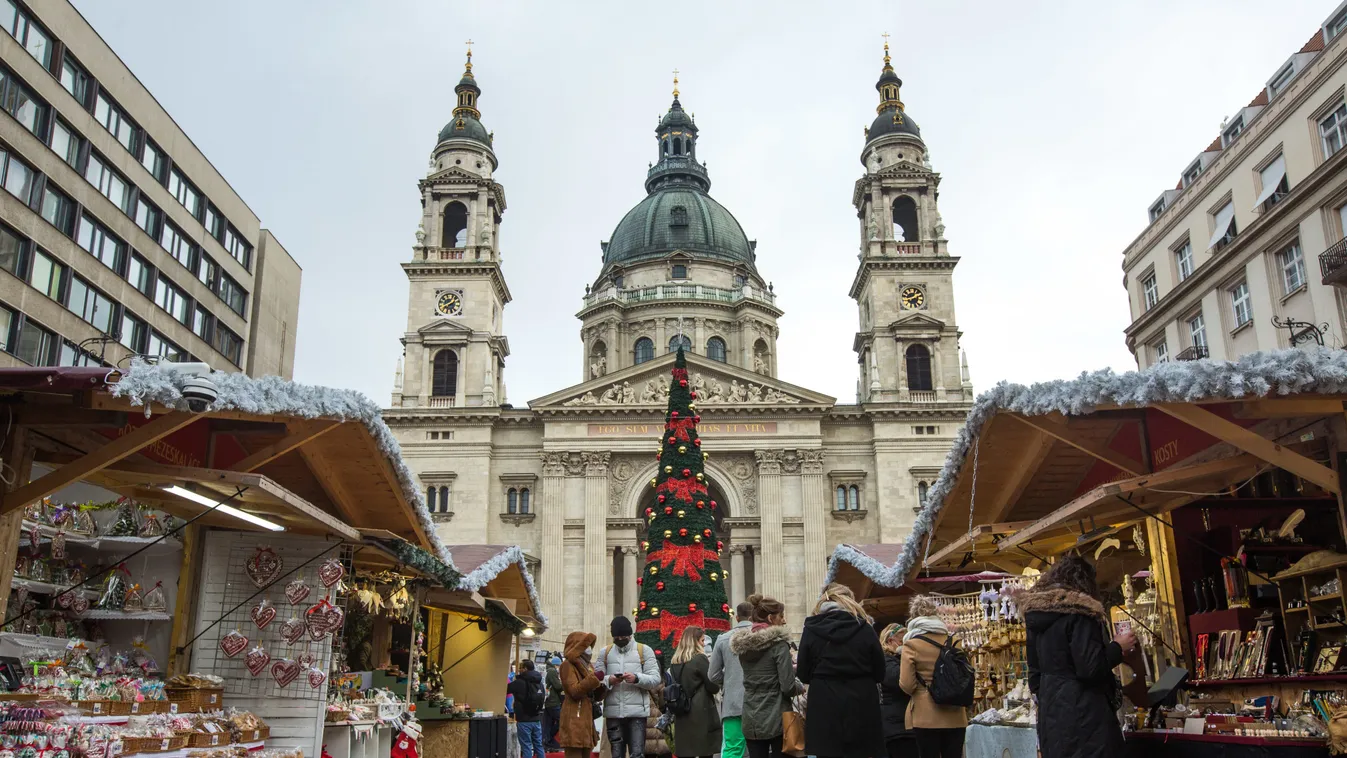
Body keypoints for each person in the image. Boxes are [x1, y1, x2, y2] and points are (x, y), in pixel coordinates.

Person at [1018, 554, 1137, 758]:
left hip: (1052, 718)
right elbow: (1090, 668)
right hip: (1086, 716)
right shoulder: (1081, 613)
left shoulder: (1036, 618)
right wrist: (1117, 646)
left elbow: (1034, 677)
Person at [797, 584, 885, 758]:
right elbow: (880, 670)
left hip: (824, 699)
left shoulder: (812, 629)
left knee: (827, 751)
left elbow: (803, 672)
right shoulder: (864, 627)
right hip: (862, 698)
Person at [899, 595, 967, 758]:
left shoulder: (911, 644)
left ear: (913, 617)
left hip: (925, 715)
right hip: (955, 713)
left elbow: (907, 684)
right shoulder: (955, 641)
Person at [731, 594, 796, 758]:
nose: (784, 620)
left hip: (751, 715)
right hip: (778, 716)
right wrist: (799, 687)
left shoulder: (743, 647)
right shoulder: (779, 645)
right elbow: (787, 686)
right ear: (770, 618)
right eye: (781, 616)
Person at [596, 616, 660, 758]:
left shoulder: (644, 651)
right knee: (616, 754)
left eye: (623, 636)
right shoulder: (605, 653)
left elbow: (655, 679)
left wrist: (636, 678)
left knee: (637, 754)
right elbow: (596, 680)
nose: (620, 639)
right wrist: (609, 680)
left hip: (637, 714)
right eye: (616, 637)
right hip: (613, 712)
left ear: (630, 634)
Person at [710, 602, 755, 758]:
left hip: (733, 703)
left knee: (732, 749)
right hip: (759, 702)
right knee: (760, 749)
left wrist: (729, 679)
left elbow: (713, 675)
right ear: (753, 615)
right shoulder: (761, 635)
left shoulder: (723, 639)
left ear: (736, 617)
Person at [670, 625, 722, 758]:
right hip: (701, 711)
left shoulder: (675, 661)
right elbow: (713, 686)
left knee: (687, 751)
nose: (704, 644)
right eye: (703, 641)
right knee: (705, 750)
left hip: (682, 711)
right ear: (695, 641)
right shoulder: (700, 659)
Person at [559, 632, 605, 758]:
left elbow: (594, 693)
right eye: (586, 646)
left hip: (586, 718)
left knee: (586, 752)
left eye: (590, 645)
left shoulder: (588, 666)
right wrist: (594, 679)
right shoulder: (567, 665)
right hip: (574, 716)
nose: (589, 649)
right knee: (574, 751)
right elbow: (574, 691)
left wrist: (604, 685)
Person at [878, 624, 915, 758]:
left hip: (903, 726)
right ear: (889, 641)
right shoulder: (885, 661)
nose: (905, 645)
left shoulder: (896, 660)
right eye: (901, 642)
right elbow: (899, 681)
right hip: (896, 728)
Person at [508, 659, 546, 758]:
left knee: (526, 747)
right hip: (537, 718)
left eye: (520, 668)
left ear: (525, 669)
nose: (519, 670)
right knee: (538, 745)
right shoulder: (539, 683)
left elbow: (504, 689)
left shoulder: (519, 682)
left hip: (523, 720)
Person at [544, 655, 564, 751]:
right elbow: (558, 686)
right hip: (553, 701)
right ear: (557, 665)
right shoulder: (552, 671)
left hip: (549, 701)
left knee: (548, 723)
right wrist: (565, 684)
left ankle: (547, 740)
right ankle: (549, 738)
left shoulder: (549, 670)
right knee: (561, 720)